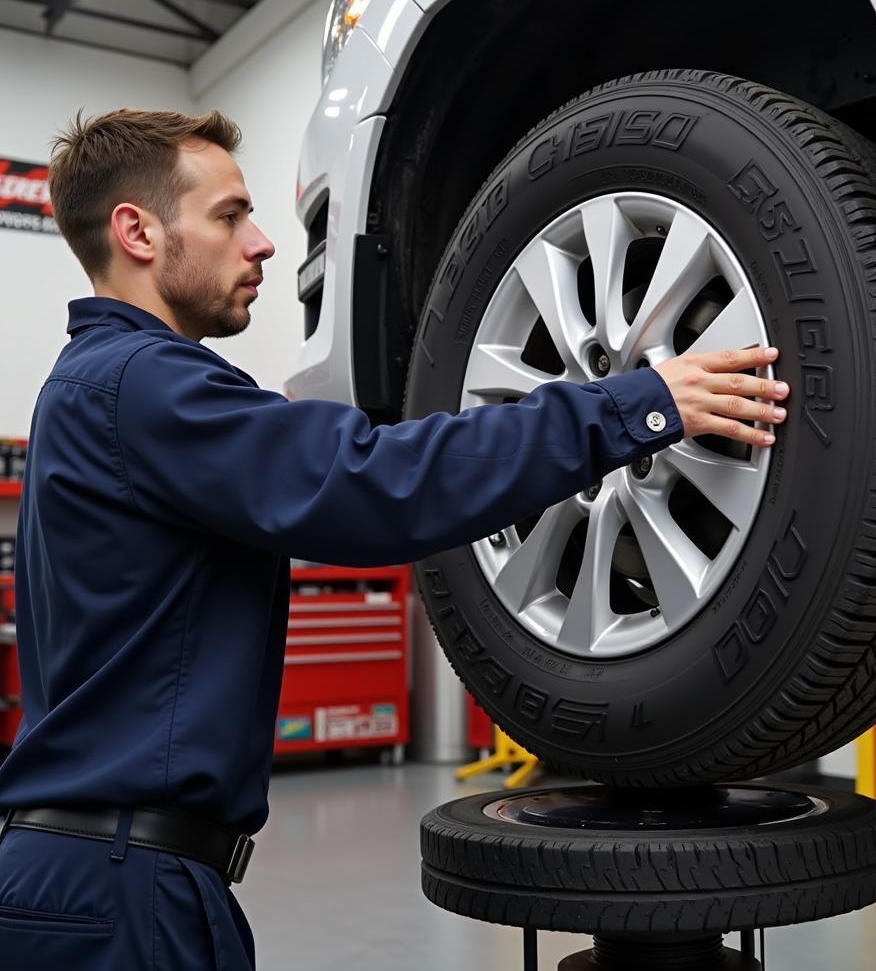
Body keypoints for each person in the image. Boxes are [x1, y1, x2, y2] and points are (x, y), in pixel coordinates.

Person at [0, 109, 789, 969]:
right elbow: (376, 485)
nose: (261, 243)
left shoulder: (83, 389)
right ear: (137, 231)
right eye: (229, 215)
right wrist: (633, 403)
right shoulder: (139, 385)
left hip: (99, 872)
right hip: (123, 891)